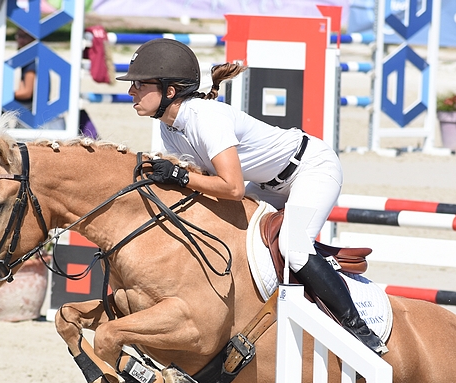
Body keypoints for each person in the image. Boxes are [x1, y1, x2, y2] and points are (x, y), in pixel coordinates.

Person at [116, 38, 386, 355]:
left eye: (138, 84)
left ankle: (360, 331)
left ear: (169, 91)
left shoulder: (206, 118)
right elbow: (203, 184)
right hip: (267, 184)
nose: (131, 91)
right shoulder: (169, 127)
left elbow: (232, 188)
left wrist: (180, 175)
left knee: (293, 247)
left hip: (310, 170)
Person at [11, 28, 99, 138]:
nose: (20, 40)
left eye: (24, 37)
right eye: (19, 36)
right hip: (40, 110)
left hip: (36, 114)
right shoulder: (32, 59)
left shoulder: (31, 61)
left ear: (33, 38)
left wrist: (1, 94)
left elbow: (27, 92)